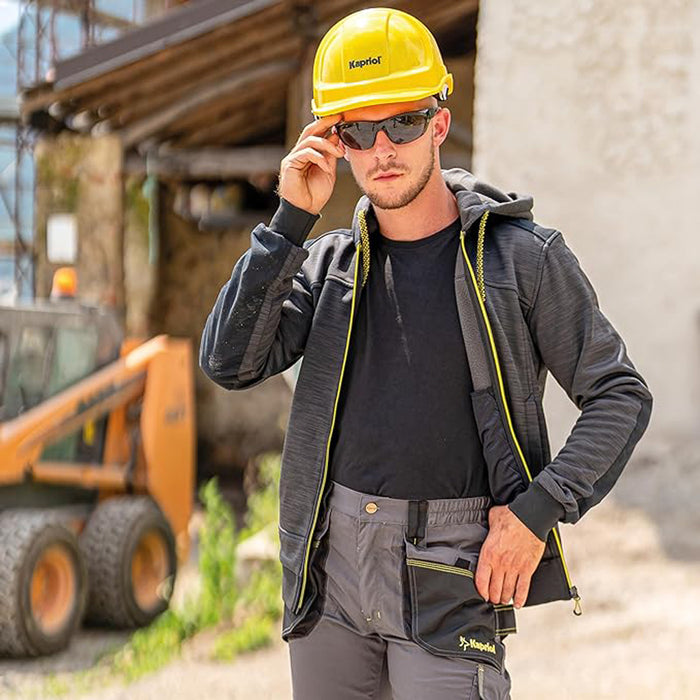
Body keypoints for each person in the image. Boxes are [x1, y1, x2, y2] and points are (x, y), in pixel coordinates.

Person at [199, 8, 652, 699]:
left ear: (439, 122)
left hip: (452, 568)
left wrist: (537, 515)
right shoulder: (325, 267)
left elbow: (619, 395)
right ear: (334, 140)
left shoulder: (520, 260)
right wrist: (289, 221)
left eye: (403, 123)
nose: (383, 148)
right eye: (358, 129)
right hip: (331, 573)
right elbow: (229, 362)